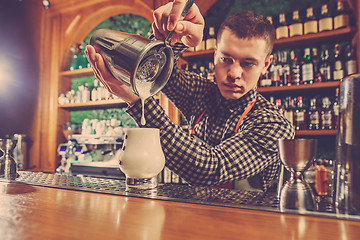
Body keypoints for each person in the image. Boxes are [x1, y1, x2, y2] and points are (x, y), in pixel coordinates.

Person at [85, 0, 295, 191]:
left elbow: (211, 169)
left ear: (266, 64)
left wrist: (135, 99)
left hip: (251, 227)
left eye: (248, 63)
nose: (234, 73)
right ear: (215, 54)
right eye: (226, 59)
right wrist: (173, 34)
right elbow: (159, 71)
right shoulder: (203, 94)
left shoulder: (274, 125)